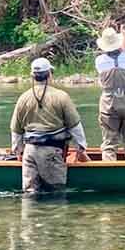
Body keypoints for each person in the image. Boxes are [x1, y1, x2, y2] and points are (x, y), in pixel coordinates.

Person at [10, 57, 89, 193]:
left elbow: (16, 129)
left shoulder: (23, 98)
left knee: (30, 195)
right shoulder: (61, 97)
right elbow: (74, 126)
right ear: (50, 74)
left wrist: (18, 150)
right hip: (52, 153)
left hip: (30, 152)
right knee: (56, 194)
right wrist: (81, 147)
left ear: (32, 76)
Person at [94, 26, 125, 161]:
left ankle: (108, 171)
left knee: (109, 143)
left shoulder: (99, 61)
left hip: (109, 103)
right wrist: (124, 35)